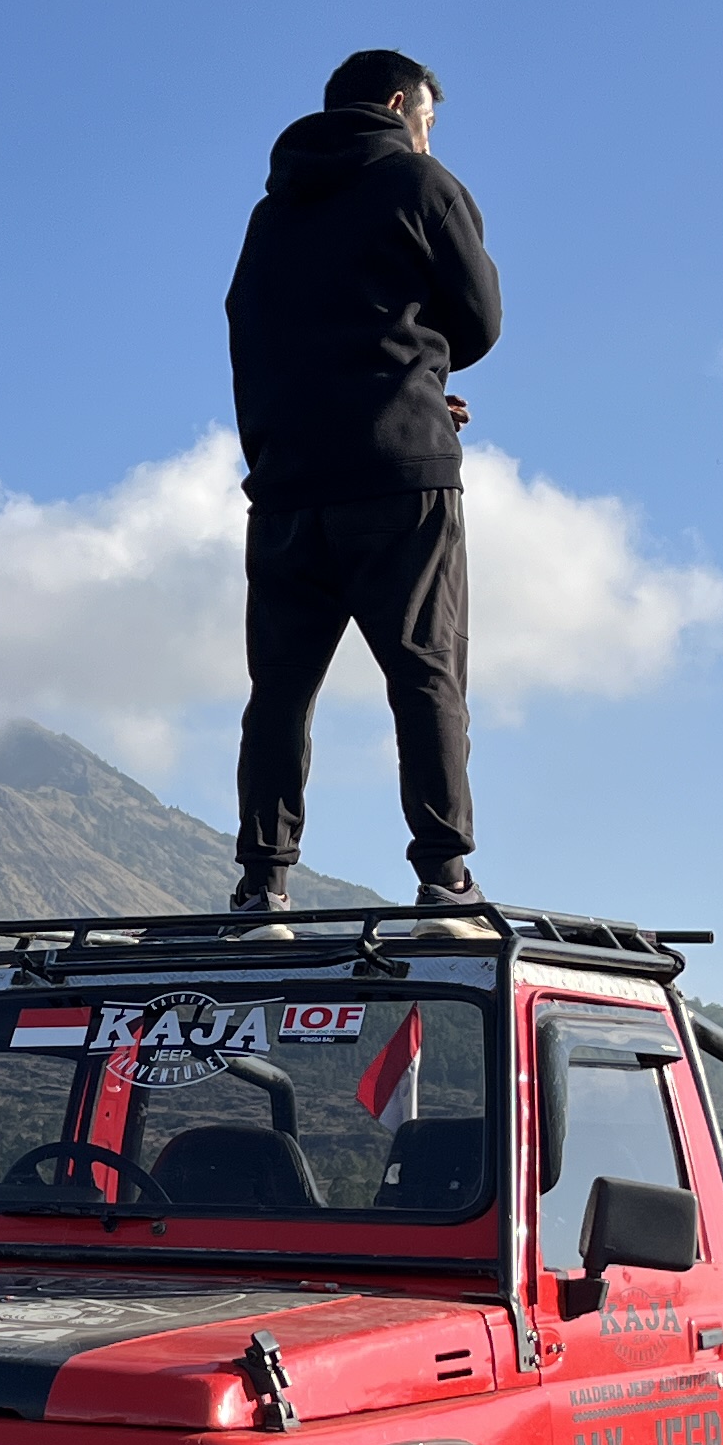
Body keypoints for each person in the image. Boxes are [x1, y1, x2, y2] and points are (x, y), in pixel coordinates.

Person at [222, 47, 503, 919]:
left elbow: (250, 329)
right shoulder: (423, 186)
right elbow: (481, 320)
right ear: (397, 104)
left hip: (287, 487)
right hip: (400, 477)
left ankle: (263, 883)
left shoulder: (270, 214)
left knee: (280, 689)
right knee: (424, 673)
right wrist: (413, 387)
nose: (427, 134)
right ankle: (443, 872)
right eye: (425, 117)